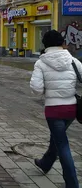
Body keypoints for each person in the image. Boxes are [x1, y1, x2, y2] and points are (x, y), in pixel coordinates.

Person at [30, 30, 82, 188]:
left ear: (45, 45)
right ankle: (46, 162)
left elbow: (36, 89)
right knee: (58, 138)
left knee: (63, 144)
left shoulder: (41, 62)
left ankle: (72, 184)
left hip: (53, 110)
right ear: (62, 43)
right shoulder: (73, 61)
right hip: (71, 109)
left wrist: (48, 89)